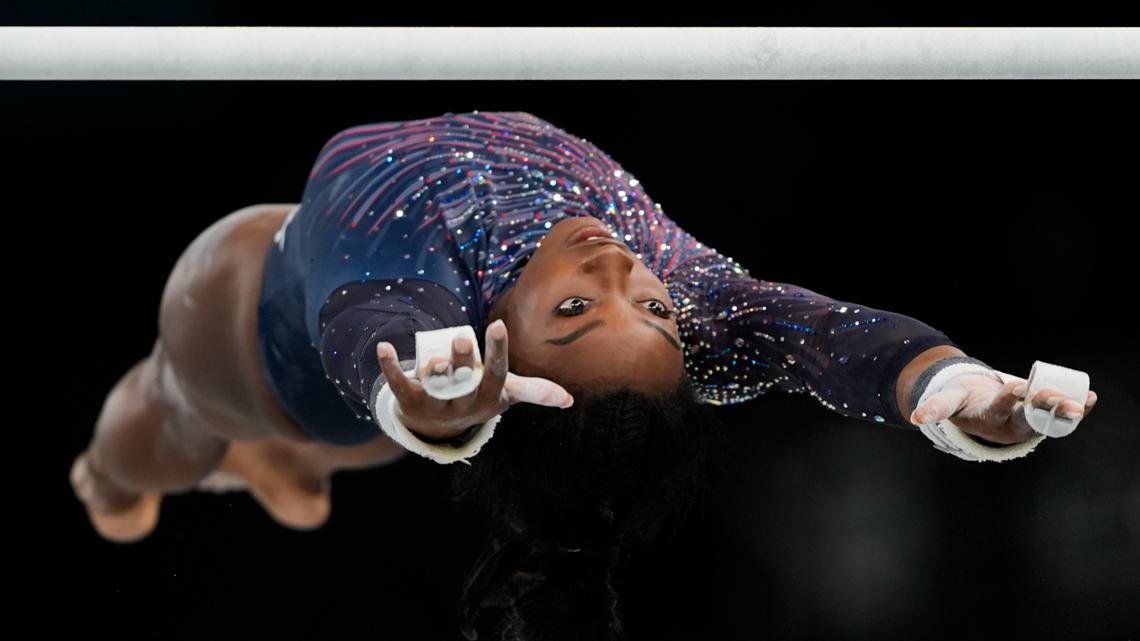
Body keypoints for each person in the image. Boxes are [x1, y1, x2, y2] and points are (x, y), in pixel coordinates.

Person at [69, 111, 1098, 640]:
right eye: (649, 306)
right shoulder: (695, 305)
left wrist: (416, 406)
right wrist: (945, 386)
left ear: (494, 343)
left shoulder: (411, 285)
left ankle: (125, 474)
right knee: (352, 435)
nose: (618, 267)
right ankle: (301, 466)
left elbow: (372, 317)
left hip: (242, 344)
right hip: (411, 413)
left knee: (158, 426)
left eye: (573, 311)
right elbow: (822, 336)